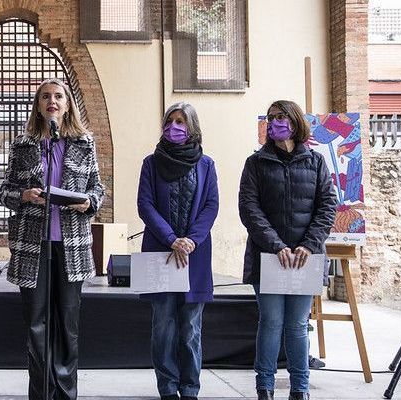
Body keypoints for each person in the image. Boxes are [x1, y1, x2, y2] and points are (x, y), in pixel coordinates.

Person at [0, 78, 105, 400]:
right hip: (34, 246)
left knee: (68, 326)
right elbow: (4, 192)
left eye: (58, 96)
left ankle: (65, 393)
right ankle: (41, 393)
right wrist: (24, 195)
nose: (52, 101)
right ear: (38, 105)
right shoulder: (23, 144)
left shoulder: (84, 143)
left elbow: (98, 189)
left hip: (71, 246)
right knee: (36, 325)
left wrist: (89, 202)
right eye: (45, 96)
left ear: (68, 103)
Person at [239, 100, 337, 400]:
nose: (275, 122)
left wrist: (309, 244)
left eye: (281, 117)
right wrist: (276, 245)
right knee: (270, 323)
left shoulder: (316, 162)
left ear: (295, 122)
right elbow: (249, 208)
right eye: (271, 118)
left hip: (304, 259)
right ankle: (265, 387)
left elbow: (328, 206)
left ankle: (300, 389)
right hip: (268, 256)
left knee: (297, 325)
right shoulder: (255, 163)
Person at [137, 102, 219, 400]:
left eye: (181, 121)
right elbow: (145, 205)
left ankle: (190, 387)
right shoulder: (151, 163)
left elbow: (211, 206)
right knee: (164, 327)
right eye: (170, 121)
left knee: (191, 328)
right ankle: (168, 387)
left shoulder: (206, 164)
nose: (174, 126)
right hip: (161, 253)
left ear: (192, 127)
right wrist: (173, 239)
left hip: (193, 257)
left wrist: (191, 241)